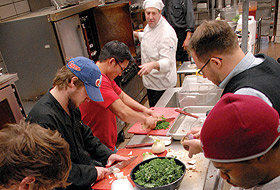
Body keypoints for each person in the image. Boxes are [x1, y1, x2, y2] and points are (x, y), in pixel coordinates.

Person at [27, 56, 129, 190]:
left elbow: (86, 136)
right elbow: (56, 170)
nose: (88, 99)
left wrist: (108, 154)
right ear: (73, 82)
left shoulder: (71, 106)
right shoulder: (43, 118)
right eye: (87, 93)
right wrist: (93, 172)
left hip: (84, 185)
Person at [181, 19, 280, 157]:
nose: (204, 77)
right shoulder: (265, 62)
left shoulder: (246, 94)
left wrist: (204, 147)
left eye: (202, 70)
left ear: (216, 62)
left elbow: (248, 153)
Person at [80, 40, 157, 151]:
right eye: (121, 69)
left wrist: (145, 110)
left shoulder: (104, 75)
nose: (120, 74)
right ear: (111, 61)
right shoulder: (97, 80)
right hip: (97, 148)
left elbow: (121, 96)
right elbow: (123, 112)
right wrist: (145, 119)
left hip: (107, 143)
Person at [133, 0, 178, 107]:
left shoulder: (167, 34)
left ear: (160, 12)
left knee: (163, 118)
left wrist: (152, 65)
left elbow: (168, 63)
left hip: (162, 85)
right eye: (148, 13)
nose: (150, 17)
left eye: (154, 13)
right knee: (155, 114)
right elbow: (150, 38)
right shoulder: (150, 26)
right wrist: (136, 35)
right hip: (150, 83)